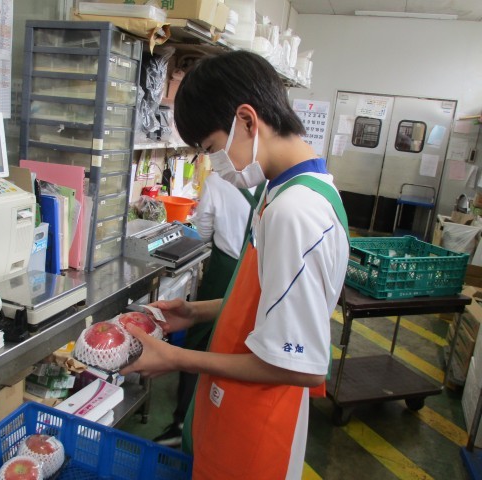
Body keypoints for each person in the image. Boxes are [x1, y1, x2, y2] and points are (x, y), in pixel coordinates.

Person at [120, 50, 350, 479]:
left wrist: (175, 357)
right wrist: (197, 312)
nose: (214, 164)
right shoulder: (287, 190)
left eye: (211, 149)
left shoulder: (296, 212)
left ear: (246, 120)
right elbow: (270, 303)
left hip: (259, 430)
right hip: (237, 411)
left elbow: (297, 364)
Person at [154, 171, 265, 447]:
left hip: (224, 270)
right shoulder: (273, 183)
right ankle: (219, 425)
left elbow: (203, 233)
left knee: (199, 342)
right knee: (240, 344)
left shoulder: (216, 181)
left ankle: (182, 422)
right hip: (256, 274)